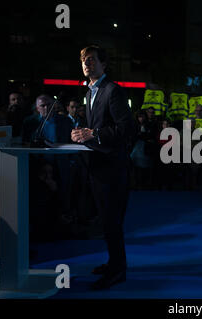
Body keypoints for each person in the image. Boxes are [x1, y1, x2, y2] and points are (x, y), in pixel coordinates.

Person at [71, 45, 135, 290]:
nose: (87, 64)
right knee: (106, 221)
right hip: (98, 166)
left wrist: (93, 133)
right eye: (83, 60)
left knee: (112, 221)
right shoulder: (90, 93)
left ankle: (118, 271)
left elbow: (127, 129)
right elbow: (95, 127)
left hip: (113, 168)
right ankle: (113, 263)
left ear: (103, 63)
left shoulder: (113, 91)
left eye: (91, 60)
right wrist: (81, 134)